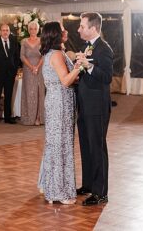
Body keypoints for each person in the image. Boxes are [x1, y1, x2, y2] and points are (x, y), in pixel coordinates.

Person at [36, 22, 84, 205]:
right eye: (62, 29)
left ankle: (48, 184)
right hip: (60, 102)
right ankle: (58, 191)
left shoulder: (53, 53)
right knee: (60, 144)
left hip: (57, 100)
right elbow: (65, 81)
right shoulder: (56, 54)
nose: (66, 31)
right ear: (56, 34)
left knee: (55, 143)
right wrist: (79, 66)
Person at [74, 12, 114, 206]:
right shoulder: (88, 47)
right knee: (86, 147)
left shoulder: (104, 49)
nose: (79, 29)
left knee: (97, 148)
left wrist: (88, 66)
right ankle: (88, 184)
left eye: (82, 26)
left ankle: (100, 193)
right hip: (85, 106)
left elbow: (106, 77)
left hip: (97, 107)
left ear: (93, 28)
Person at [0, 24, 21, 124]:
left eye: (7, 30)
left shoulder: (14, 42)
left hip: (10, 74)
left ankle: (7, 118)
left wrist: (14, 71)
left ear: (9, 31)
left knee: (8, 96)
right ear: (0, 32)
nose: (5, 32)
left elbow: (16, 58)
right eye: (3, 30)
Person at [19, 21, 45, 126]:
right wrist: (31, 67)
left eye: (35, 28)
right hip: (28, 70)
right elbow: (22, 56)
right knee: (29, 93)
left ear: (38, 30)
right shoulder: (24, 41)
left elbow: (44, 55)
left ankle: (39, 117)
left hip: (40, 69)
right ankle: (30, 117)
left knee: (39, 92)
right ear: (28, 30)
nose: (33, 31)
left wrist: (37, 67)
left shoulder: (42, 40)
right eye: (31, 29)